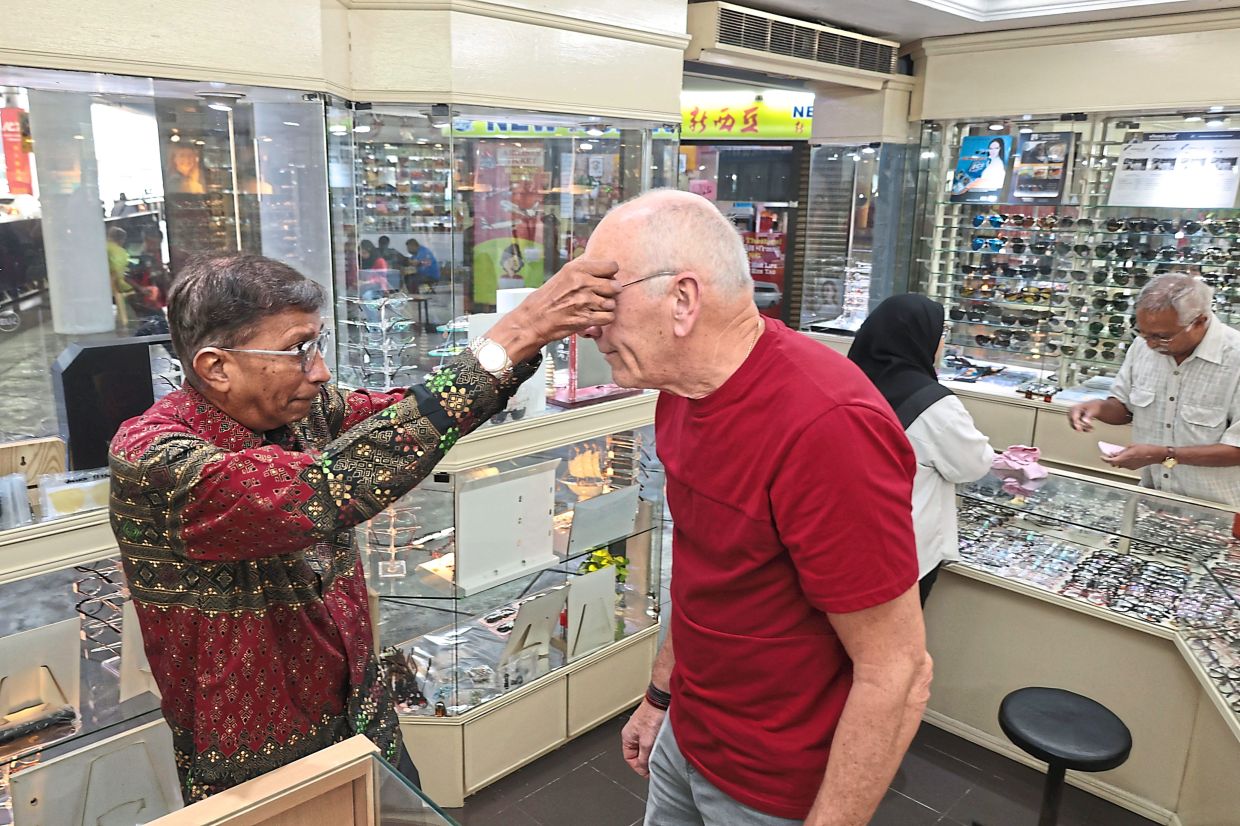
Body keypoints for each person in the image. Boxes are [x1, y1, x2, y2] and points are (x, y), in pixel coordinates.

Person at [108, 252, 619, 804]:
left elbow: (400, 417)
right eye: (297, 350)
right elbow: (325, 488)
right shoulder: (156, 456)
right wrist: (517, 331)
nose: (320, 370)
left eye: (317, 344)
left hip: (363, 717)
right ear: (216, 367)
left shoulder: (302, 410)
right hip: (259, 761)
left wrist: (520, 346)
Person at [584, 190, 931, 825]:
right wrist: (662, 697)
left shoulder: (827, 425)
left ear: (683, 300)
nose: (588, 324)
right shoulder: (680, 393)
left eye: (607, 300)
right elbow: (700, 573)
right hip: (689, 739)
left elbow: (898, 670)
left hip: (775, 788)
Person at [849, 295, 995, 605]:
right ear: (922, 337)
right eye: (941, 333)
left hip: (843, 535)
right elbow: (974, 464)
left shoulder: (846, 380)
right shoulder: (932, 402)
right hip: (901, 549)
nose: (942, 343)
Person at [1069, 273, 1240, 506]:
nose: (1150, 343)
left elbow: (1236, 449)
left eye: (1163, 337)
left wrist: (1164, 455)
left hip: (1220, 510)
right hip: (1153, 499)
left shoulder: (1235, 359)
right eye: (1143, 333)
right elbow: (1125, 409)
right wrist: (1097, 407)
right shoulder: (1143, 347)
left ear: (1199, 321)